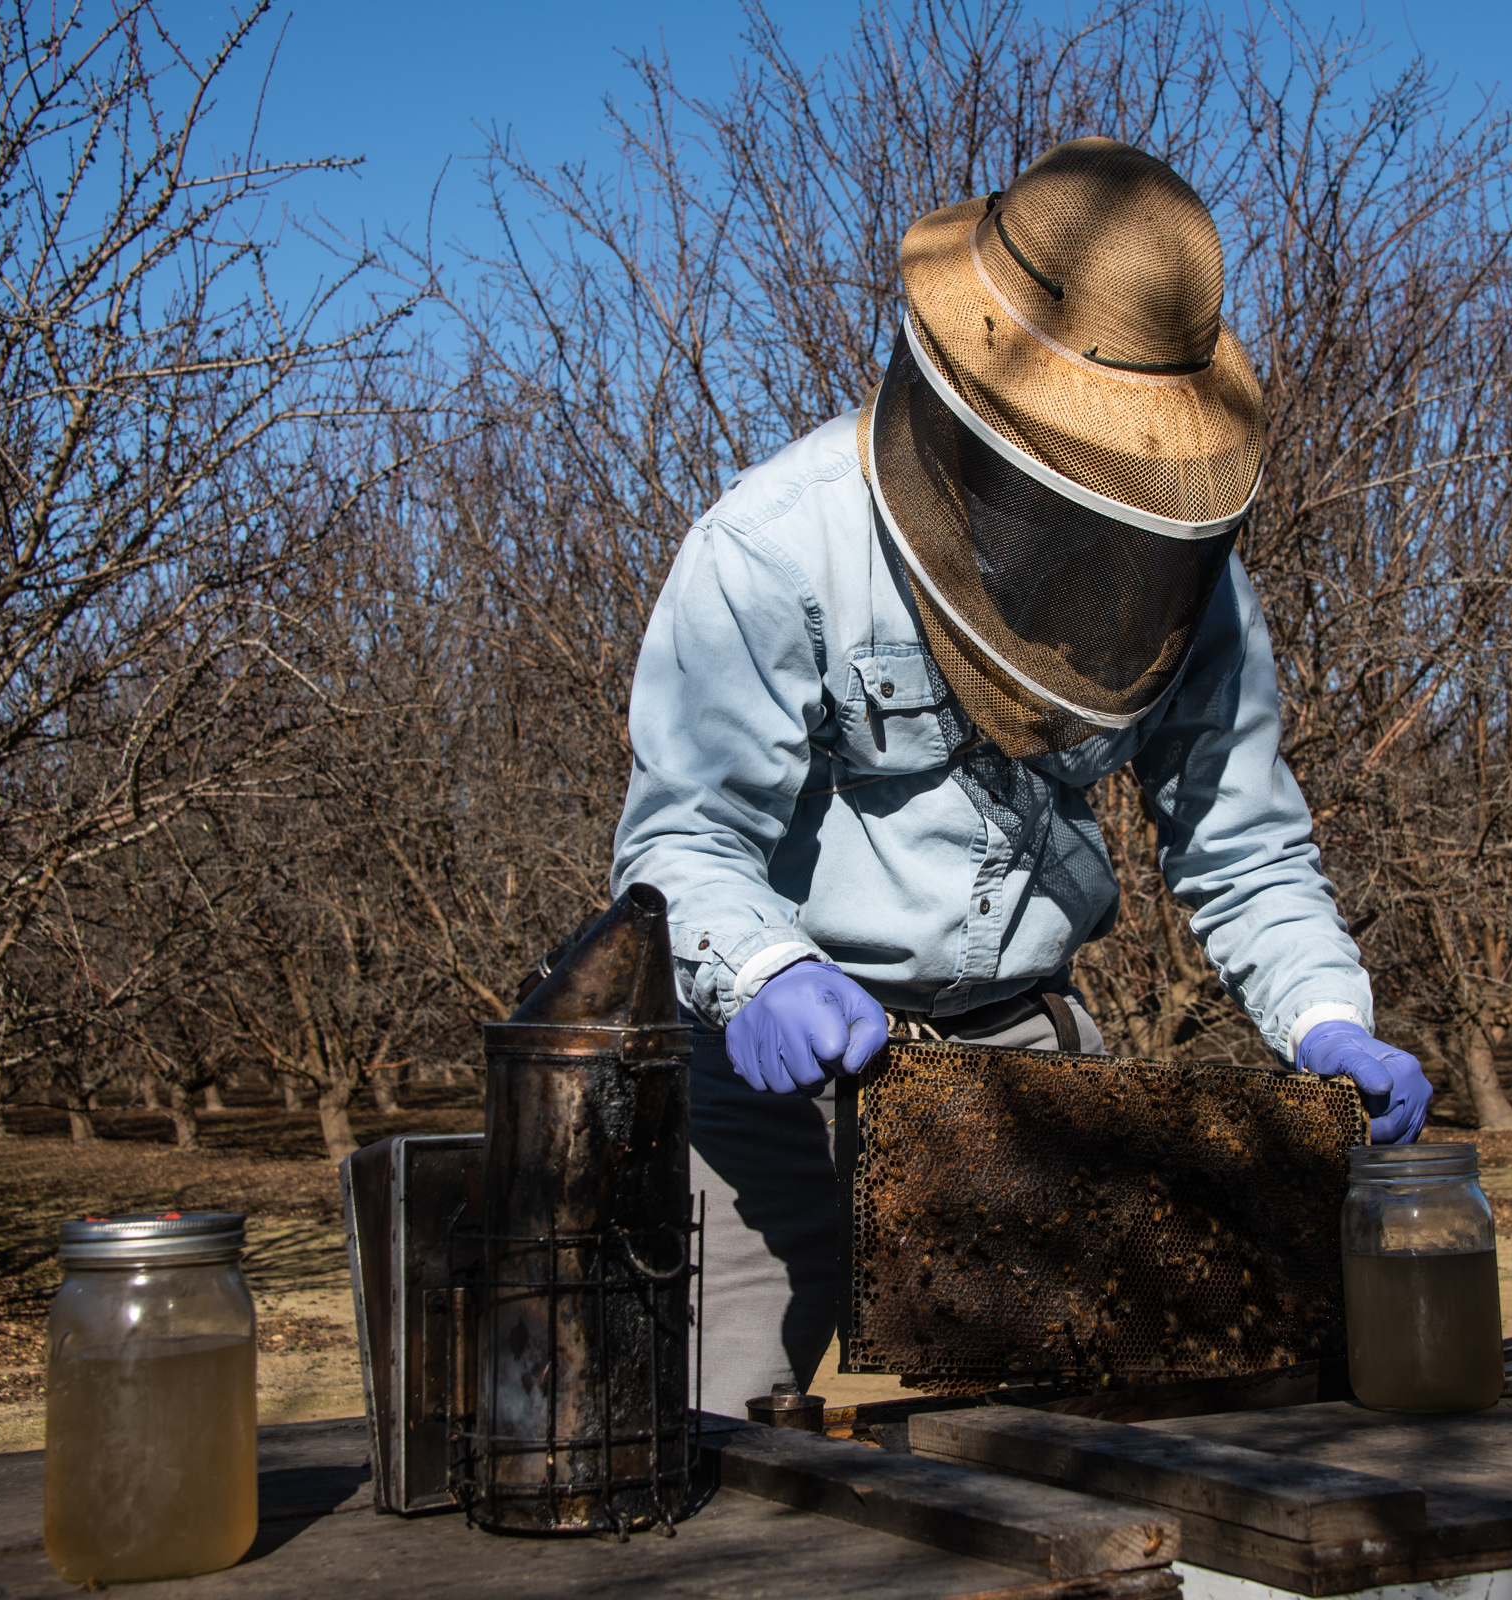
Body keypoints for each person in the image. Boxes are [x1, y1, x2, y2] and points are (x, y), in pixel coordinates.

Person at [611, 136, 1432, 1410]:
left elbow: (1246, 843)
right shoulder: (768, 552)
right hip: (764, 1071)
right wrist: (766, 973)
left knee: (1069, 1457)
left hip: (1015, 1055)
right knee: (712, 1447)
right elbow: (681, 846)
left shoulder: (1185, 591)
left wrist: (1327, 1017)